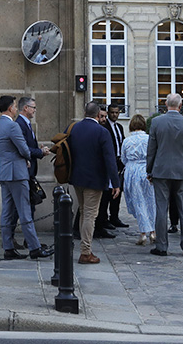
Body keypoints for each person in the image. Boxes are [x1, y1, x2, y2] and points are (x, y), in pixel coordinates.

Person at [0, 95, 53, 260]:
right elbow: (25, 150)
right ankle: (34, 248)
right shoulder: (12, 126)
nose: (15, 108)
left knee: (7, 212)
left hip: (5, 172)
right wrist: (32, 155)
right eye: (14, 105)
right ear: (11, 107)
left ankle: (8, 248)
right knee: (24, 211)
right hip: (17, 174)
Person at [146, 92, 183, 257]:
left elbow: (151, 150)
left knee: (161, 209)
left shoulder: (156, 122)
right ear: (180, 106)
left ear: (165, 104)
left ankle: (162, 247)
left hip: (161, 170)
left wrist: (149, 170)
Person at [68, 100, 120, 264]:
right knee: (90, 214)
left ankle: (85, 246)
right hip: (95, 179)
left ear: (85, 113)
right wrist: (116, 182)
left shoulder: (74, 128)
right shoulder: (102, 132)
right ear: (98, 115)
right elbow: (110, 160)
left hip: (77, 178)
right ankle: (85, 251)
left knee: (84, 211)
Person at [121, 114, 156, 245]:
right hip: (146, 169)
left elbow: (123, 158)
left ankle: (143, 233)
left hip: (132, 170)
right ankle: (153, 231)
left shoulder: (127, 141)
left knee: (138, 202)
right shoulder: (149, 139)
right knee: (150, 201)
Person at [99, 103, 129, 230]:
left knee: (118, 190)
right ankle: (104, 219)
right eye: (112, 112)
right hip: (109, 162)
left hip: (119, 161)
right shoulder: (104, 127)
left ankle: (115, 217)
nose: (114, 115)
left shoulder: (119, 127)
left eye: (117, 112)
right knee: (107, 193)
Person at [16, 96, 44, 219]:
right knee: (23, 207)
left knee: (30, 204)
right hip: (24, 171)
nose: (35, 110)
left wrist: (40, 150)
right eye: (33, 107)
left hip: (30, 171)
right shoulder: (20, 124)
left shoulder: (26, 123)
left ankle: (28, 238)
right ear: (26, 108)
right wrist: (40, 152)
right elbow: (24, 149)